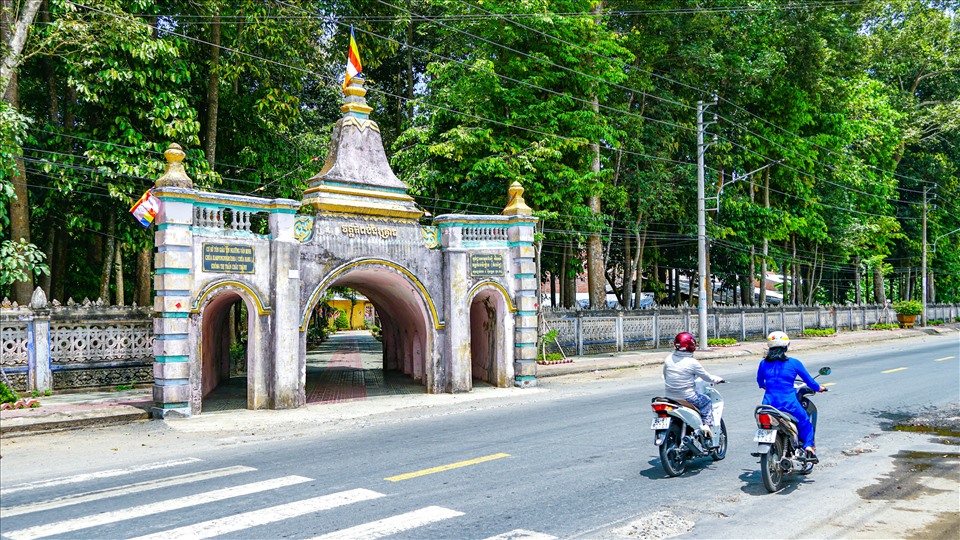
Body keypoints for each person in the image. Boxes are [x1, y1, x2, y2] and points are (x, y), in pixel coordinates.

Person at [756, 331, 826, 463]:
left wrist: (766, 386)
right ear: (786, 346)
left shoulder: (763, 363)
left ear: (769, 346)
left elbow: (760, 382)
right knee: (805, 422)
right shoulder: (794, 363)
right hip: (789, 404)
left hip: (768, 405)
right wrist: (820, 388)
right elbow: (810, 381)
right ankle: (809, 447)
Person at [663, 332, 724, 443]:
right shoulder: (692, 362)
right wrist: (717, 379)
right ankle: (706, 426)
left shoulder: (668, 359)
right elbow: (707, 377)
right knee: (706, 402)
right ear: (691, 346)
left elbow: (666, 376)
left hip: (669, 396)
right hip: (687, 397)